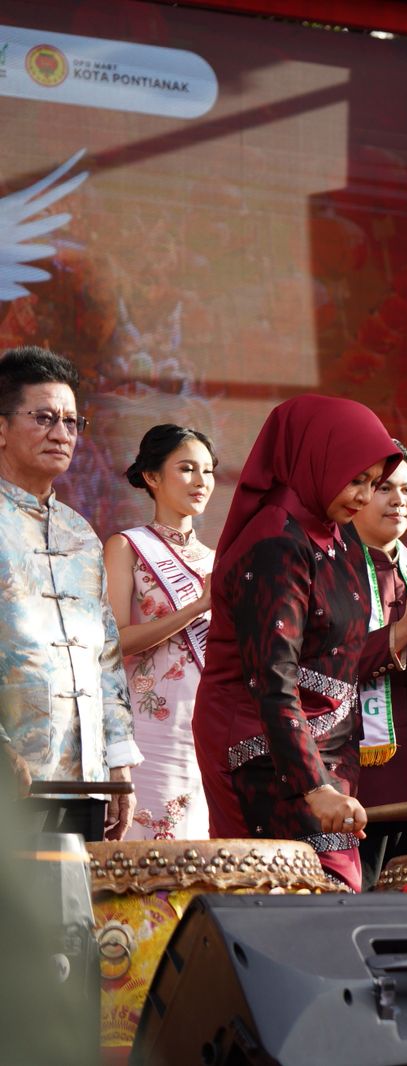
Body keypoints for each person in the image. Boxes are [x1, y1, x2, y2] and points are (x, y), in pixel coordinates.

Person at [193, 395, 399, 889]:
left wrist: (334, 779)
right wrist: (314, 786)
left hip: (322, 754)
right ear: (316, 459)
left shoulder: (338, 534)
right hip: (262, 749)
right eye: (356, 480)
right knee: (294, 899)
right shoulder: (274, 543)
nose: (364, 496)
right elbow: (272, 679)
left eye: (372, 483)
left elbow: (339, 664)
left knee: (335, 899)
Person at [0, 346, 139, 840]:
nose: (62, 433)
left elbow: (105, 655)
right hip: (12, 781)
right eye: (44, 418)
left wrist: (117, 764)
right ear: (1, 427)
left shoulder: (81, 535)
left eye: (72, 422)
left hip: (83, 783)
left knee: (78, 915)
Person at [103, 424, 217, 839]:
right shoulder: (127, 546)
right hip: (149, 732)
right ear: (152, 477)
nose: (201, 481)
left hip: (204, 726)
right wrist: (198, 607)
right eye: (187, 468)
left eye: (208, 471)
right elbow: (113, 641)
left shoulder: (217, 560)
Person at [351, 442, 407, 888]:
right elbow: (317, 669)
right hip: (357, 785)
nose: (399, 500)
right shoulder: (329, 567)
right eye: (384, 488)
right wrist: (406, 629)